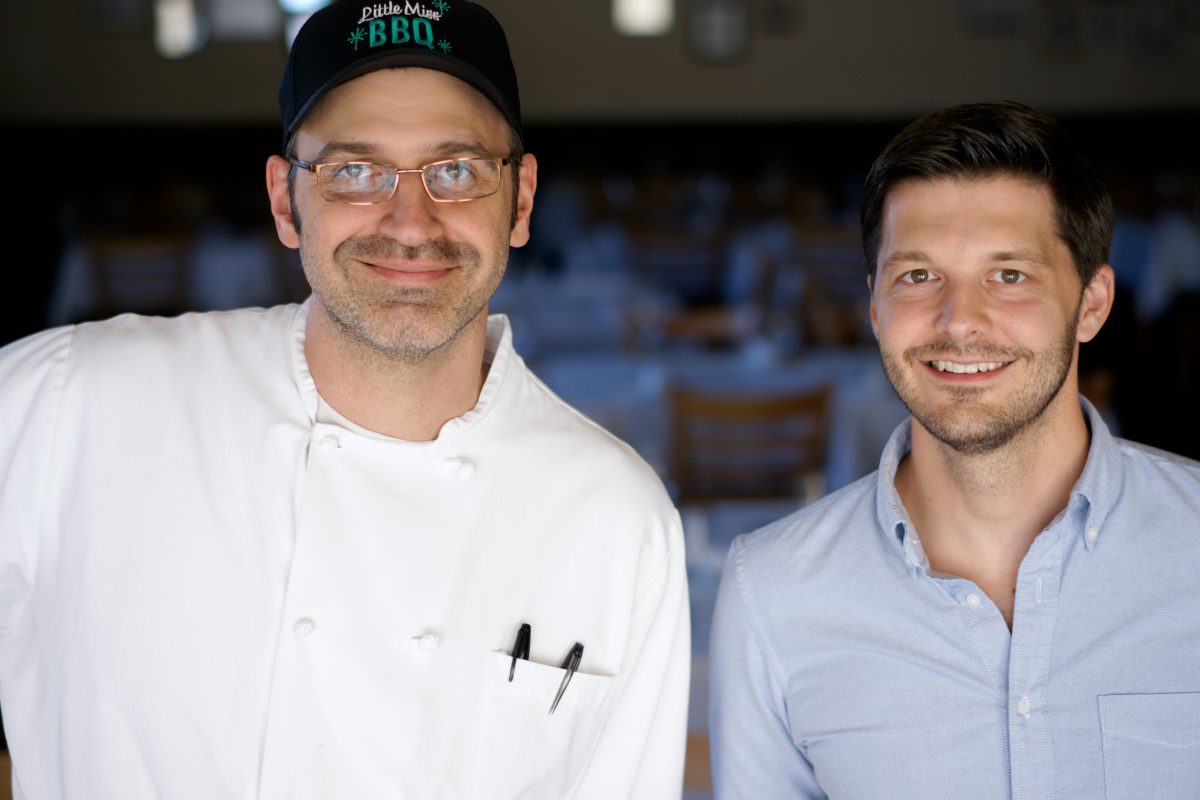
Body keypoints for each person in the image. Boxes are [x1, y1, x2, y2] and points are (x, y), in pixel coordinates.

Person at [0, 2, 689, 797]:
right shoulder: (74, 403)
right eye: (354, 171)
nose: (409, 222)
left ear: (522, 200)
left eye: (456, 170)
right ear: (287, 201)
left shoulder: (616, 518)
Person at [708, 101, 1200, 799]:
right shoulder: (773, 592)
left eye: (1009, 275)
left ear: (1092, 304)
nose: (960, 320)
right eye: (917, 275)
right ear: (874, 306)